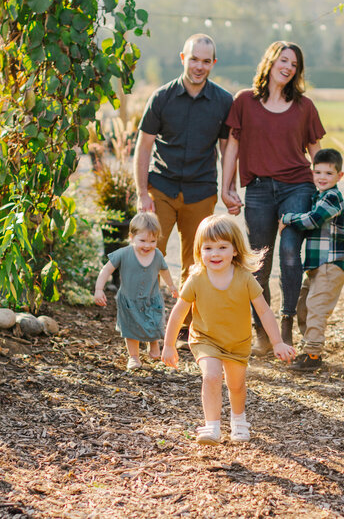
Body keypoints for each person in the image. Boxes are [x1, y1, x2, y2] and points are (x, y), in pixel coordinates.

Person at [221, 41, 325, 356]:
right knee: (258, 263)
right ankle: (262, 333)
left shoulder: (304, 106)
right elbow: (233, 148)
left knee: (291, 252)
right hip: (260, 190)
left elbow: (315, 151)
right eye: (284, 60)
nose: (289, 67)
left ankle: (287, 324)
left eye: (294, 64)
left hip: (298, 185)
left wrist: (326, 187)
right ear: (270, 61)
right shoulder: (244, 101)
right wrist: (226, 188)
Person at [134, 33, 236, 348]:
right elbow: (144, 147)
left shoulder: (223, 101)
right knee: (149, 257)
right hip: (161, 188)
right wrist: (142, 193)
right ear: (183, 58)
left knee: (197, 262)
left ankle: (185, 328)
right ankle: (144, 326)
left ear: (213, 63)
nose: (199, 66)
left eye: (206, 61)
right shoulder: (162, 97)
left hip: (200, 190)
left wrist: (228, 189)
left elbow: (227, 150)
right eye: (194, 59)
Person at [161, 215, 295, 445]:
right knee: (212, 376)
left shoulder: (244, 278)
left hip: (237, 342)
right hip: (205, 338)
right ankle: (212, 426)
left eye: (222, 247)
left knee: (236, 385)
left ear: (234, 250)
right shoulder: (196, 279)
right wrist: (169, 344)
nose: (215, 254)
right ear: (200, 250)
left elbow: (263, 311)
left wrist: (278, 342)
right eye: (208, 248)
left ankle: (239, 420)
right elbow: (178, 313)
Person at [279, 148, 344, 371]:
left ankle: (313, 355)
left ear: (340, 176)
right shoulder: (319, 196)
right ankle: (309, 349)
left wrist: (288, 218)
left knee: (316, 308)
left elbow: (313, 220)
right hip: (318, 265)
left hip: (330, 264)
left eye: (328, 173)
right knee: (304, 306)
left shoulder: (332, 197)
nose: (322, 177)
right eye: (317, 172)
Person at [94, 212, 179, 371]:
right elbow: (106, 270)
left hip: (151, 298)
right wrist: (99, 289)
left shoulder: (157, 255)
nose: (147, 245)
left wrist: (171, 286)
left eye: (153, 241)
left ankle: (153, 342)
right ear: (131, 237)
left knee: (153, 323)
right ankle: (134, 357)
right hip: (129, 301)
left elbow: (164, 271)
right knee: (131, 329)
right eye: (143, 241)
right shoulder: (123, 254)